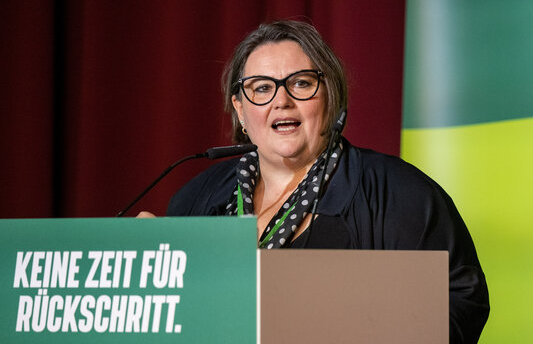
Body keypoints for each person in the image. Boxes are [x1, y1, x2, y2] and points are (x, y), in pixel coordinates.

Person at [167, 20, 489, 343]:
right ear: (240, 109)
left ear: (330, 96)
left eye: (301, 83)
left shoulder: (400, 196)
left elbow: (460, 299)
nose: (281, 101)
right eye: (262, 88)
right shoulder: (196, 199)